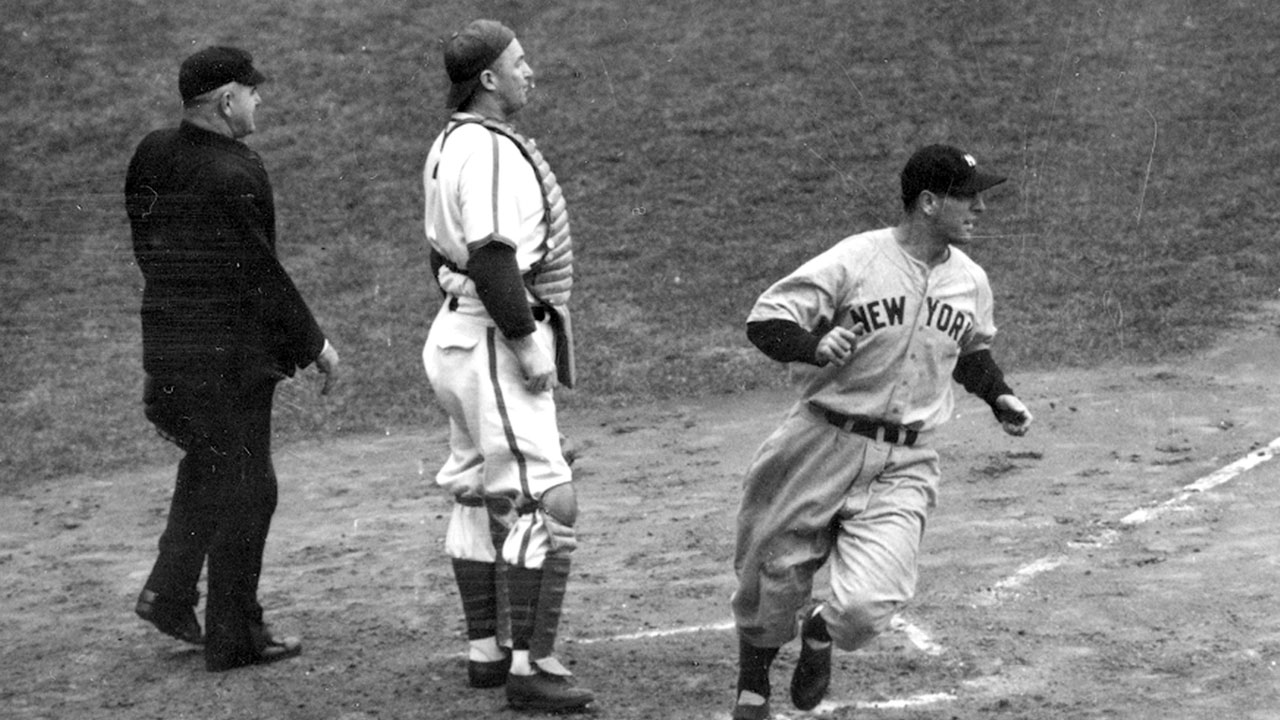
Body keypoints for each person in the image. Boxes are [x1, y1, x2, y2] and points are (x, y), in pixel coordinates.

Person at [729, 144, 1034, 719]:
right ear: (928, 203)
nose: (981, 210)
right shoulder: (857, 259)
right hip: (818, 444)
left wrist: (999, 395)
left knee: (867, 608)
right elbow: (765, 320)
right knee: (772, 580)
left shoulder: (971, 281)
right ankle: (753, 688)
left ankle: (819, 634)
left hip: (904, 462)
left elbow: (969, 352)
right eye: (969, 198)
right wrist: (813, 344)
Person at [124, 45, 340, 672]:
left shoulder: (151, 153)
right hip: (225, 363)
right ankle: (235, 634)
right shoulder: (234, 174)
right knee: (250, 486)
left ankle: (167, 591)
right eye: (251, 91)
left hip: (167, 349)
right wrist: (315, 345)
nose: (258, 100)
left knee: (212, 464)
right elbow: (260, 276)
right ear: (225, 101)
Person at [419, 19, 592, 713]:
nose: (531, 72)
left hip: (456, 337)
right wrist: (525, 340)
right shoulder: (488, 151)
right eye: (519, 63)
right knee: (545, 495)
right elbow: (492, 257)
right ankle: (531, 666)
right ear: (487, 78)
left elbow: (442, 256)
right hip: (492, 339)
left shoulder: (448, 142)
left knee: (472, 487)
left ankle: (486, 652)